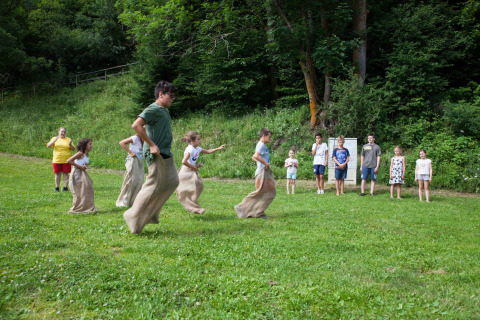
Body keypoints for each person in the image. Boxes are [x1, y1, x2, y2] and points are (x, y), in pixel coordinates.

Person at [123, 80, 179, 234]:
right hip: (155, 153)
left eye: (174, 96)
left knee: (173, 181)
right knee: (154, 184)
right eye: (170, 95)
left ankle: (151, 213)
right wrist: (151, 144)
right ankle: (132, 215)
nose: (173, 99)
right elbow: (136, 126)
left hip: (165, 151)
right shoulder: (153, 108)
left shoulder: (164, 110)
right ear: (160, 94)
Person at [176, 131, 225, 214]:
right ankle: (193, 207)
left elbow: (208, 151)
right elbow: (184, 161)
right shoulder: (190, 149)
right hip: (186, 171)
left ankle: (193, 202)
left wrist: (218, 148)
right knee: (189, 189)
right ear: (192, 141)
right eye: (198, 139)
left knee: (200, 186)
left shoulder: (197, 148)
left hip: (191, 170)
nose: (200, 141)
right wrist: (194, 167)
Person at [235, 128, 276, 219]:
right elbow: (255, 156)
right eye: (269, 137)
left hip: (263, 171)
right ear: (263, 136)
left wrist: (261, 162)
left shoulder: (261, 145)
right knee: (263, 192)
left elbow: (254, 157)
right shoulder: (261, 145)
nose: (270, 139)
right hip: (262, 172)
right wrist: (265, 164)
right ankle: (241, 207)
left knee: (268, 192)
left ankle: (258, 212)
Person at [67, 138, 98, 213]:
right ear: (85, 145)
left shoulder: (86, 154)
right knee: (79, 191)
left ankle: (87, 207)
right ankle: (78, 207)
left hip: (83, 173)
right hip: (77, 173)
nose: (91, 146)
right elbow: (69, 160)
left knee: (87, 189)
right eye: (90, 144)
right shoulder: (80, 153)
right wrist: (80, 167)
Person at [116, 135, 145, 207]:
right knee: (131, 180)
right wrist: (131, 152)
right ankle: (124, 201)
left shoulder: (145, 139)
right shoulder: (135, 138)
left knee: (139, 180)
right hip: (132, 159)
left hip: (139, 160)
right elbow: (122, 142)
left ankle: (133, 201)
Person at [46, 127, 75, 192]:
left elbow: (73, 149)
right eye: (61, 131)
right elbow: (48, 146)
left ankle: (65, 187)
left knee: (65, 173)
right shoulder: (54, 138)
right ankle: (57, 187)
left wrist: (70, 144)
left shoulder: (68, 139)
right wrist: (54, 141)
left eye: (64, 132)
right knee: (57, 173)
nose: (63, 133)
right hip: (57, 159)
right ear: (58, 132)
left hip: (66, 160)